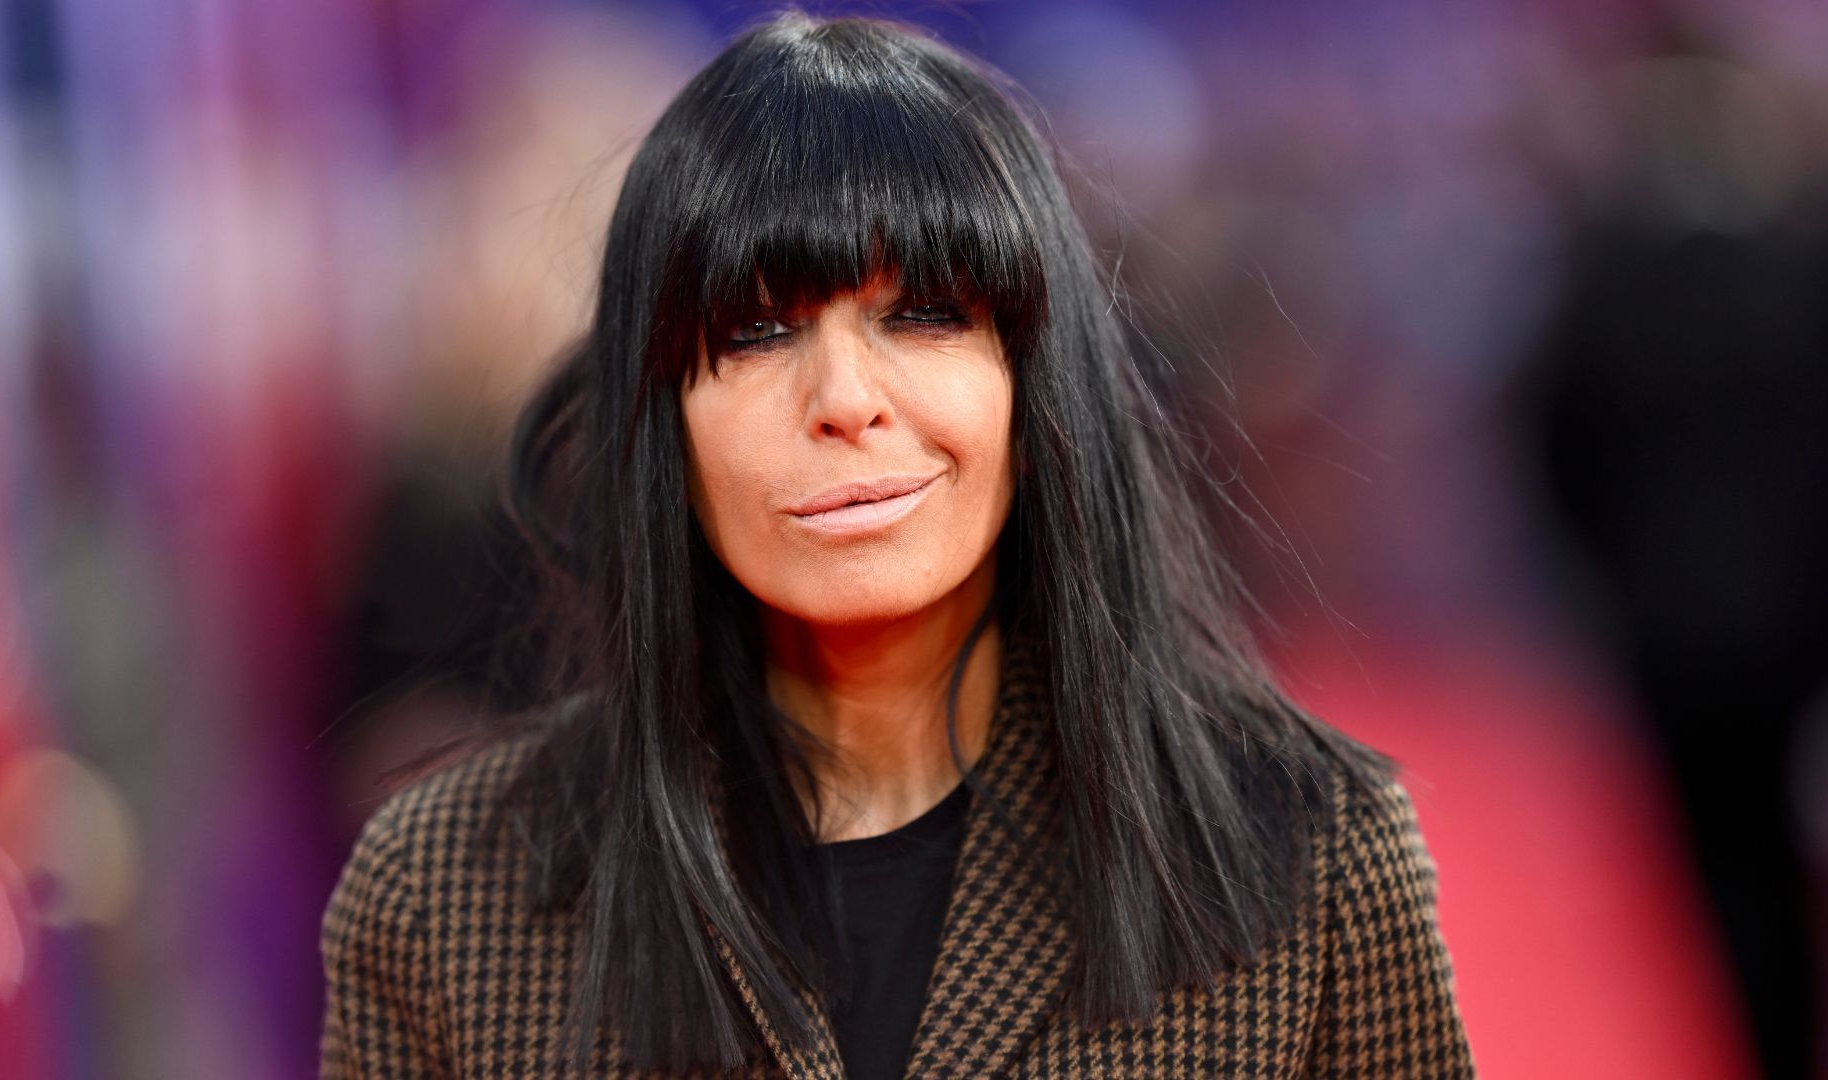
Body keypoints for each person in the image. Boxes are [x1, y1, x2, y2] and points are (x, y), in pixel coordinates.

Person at [318, 10, 1475, 1078]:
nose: (844, 399)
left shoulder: (1312, 854)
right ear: (656, 418)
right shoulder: (441, 899)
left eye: (923, 315)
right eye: (754, 331)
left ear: (1038, 379)